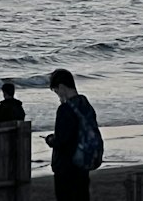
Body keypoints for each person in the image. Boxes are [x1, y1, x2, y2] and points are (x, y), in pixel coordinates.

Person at [44, 68, 103, 201]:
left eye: (56, 90)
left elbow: (61, 140)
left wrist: (50, 139)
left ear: (61, 87)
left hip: (67, 166)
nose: (58, 94)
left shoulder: (65, 109)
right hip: (83, 161)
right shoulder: (85, 104)